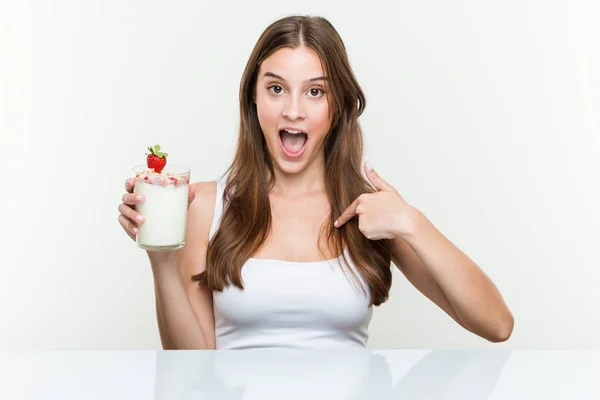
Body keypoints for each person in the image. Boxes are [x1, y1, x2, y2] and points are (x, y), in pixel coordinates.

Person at [118, 15, 514, 350]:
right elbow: (193, 368)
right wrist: (162, 258)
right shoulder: (206, 205)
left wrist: (411, 222)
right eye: (276, 89)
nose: (293, 110)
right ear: (253, 99)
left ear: (337, 105)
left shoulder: (370, 212)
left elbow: (496, 325)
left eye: (315, 92)